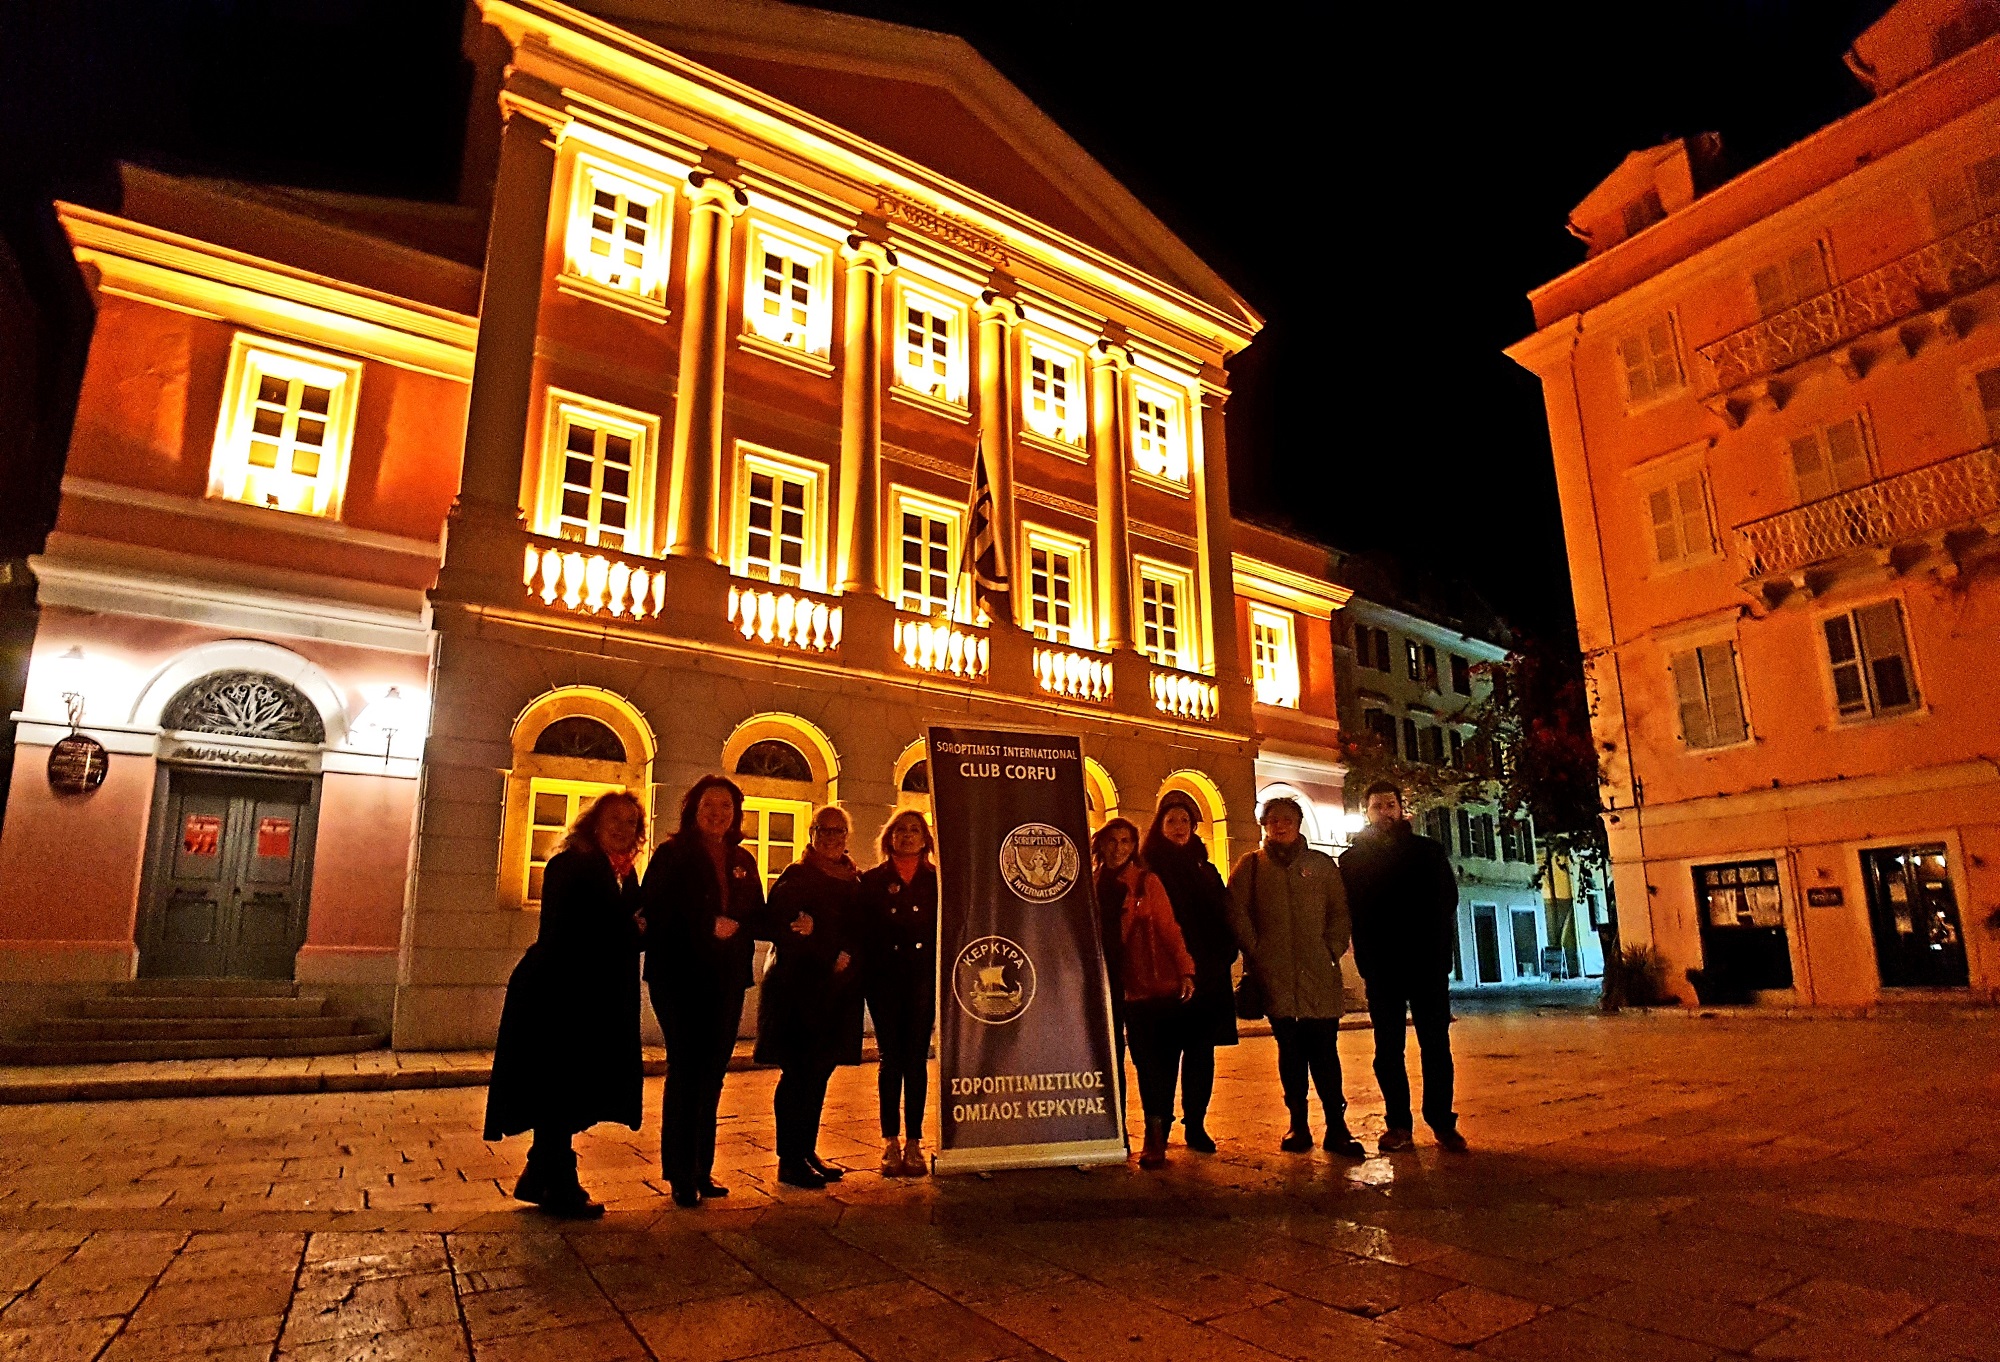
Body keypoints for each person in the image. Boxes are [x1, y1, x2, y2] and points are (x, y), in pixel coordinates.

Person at [483, 791, 646, 1218]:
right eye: (615, 819)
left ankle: (542, 1175)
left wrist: (632, 928)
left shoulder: (625, 874)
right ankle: (558, 1183)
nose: (623, 828)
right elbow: (572, 931)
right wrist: (630, 930)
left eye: (631, 822)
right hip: (556, 995)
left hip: (593, 997)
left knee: (571, 1089)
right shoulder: (570, 865)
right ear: (594, 821)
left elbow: (629, 925)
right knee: (559, 1087)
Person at [641, 775, 764, 1206]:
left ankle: (701, 1168)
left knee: (712, 1073)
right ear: (693, 809)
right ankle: (679, 1173)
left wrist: (801, 923)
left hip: (728, 977)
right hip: (679, 977)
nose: (718, 814)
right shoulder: (672, 855)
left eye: (726, 807)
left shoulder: (743, 859)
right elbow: (654, 911)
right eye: (710, 806)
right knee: (687, 1069)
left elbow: (757, 915)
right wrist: (704, 924)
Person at [1227, 796, 1366, 1158]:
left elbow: (1339, 912)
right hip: (1276, 979)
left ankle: (1337, 1126)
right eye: (1273, 820)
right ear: (1265, 826)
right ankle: (1298, 1124)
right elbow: (1237, 911)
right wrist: (1256, 950)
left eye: (1287, 819)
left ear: (1298, 822)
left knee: (1325, 1054)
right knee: (1290, 1054)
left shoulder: (1321, 866)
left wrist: (1330, 949)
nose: (1280, 825)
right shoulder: (1252, 867)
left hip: (1319, 976)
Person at [1340, 780, 1466, 1154]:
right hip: (1382, 968)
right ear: (1367, 812)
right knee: (1388, 1050)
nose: (1385, 811)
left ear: (1401, 808)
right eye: (1377, 806)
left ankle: (1442, 1122)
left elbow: (1447, 900)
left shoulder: (1428, 852)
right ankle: (1398, 1125)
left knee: (1436, 1047)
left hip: (1427, 964)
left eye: (1390, 804)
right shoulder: (1351, 862)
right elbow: (1350, 914)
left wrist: (1440, 951)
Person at [757, 805, 865, 1190]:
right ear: (811, 833)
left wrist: (845, 950)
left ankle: (806, 1149)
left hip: (837, 994)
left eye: (838, 831)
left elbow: (863, 927)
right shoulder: (797, 876)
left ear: (847, 837)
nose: (831, 837)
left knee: (819, 1073)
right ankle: (790, 1158)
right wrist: (826, 946)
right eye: (823, 829)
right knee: (799, 1073)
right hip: (799, 994)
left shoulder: (854, 879)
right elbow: (780, 924)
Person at [1093, 817, 1196, 1169]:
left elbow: (1170, 928)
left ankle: (1155, 1137)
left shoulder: (1147, 882)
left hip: (1143, 984)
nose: (1118, 847)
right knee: (1107, 1062)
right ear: (1100, 844)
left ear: (1134, 846)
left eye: (1125, 841)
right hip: (1101, 983)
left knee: (1150, 1063)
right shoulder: (1089, 884)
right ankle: (1113, 1132)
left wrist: (1185, 970)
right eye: (1112, 840)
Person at [1140, 790, 1239, 1152]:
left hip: (1208, 975)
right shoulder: (1148, 868)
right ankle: (1159, 1127)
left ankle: (1195, 1123)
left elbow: (1223, 914)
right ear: (1159, 826)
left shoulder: (1205, 868)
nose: (1179, 827)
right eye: (1171, 821)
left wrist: (1226, 952)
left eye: (1184, 821)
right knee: (1163, 1055)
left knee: (1201, 1053)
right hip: (1166, 975)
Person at [855, 809, 937, 1177]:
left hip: (922, 979)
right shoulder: (871, 881)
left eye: (914, 830)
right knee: (891, 1061)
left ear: (925, 838)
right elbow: (862, 932)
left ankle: (915, 1142)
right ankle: (890, 1141)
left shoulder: (937, 880)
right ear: (889, 837)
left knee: (916, 1059)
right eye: (900, 829)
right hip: (885, 981)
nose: (907, 835)